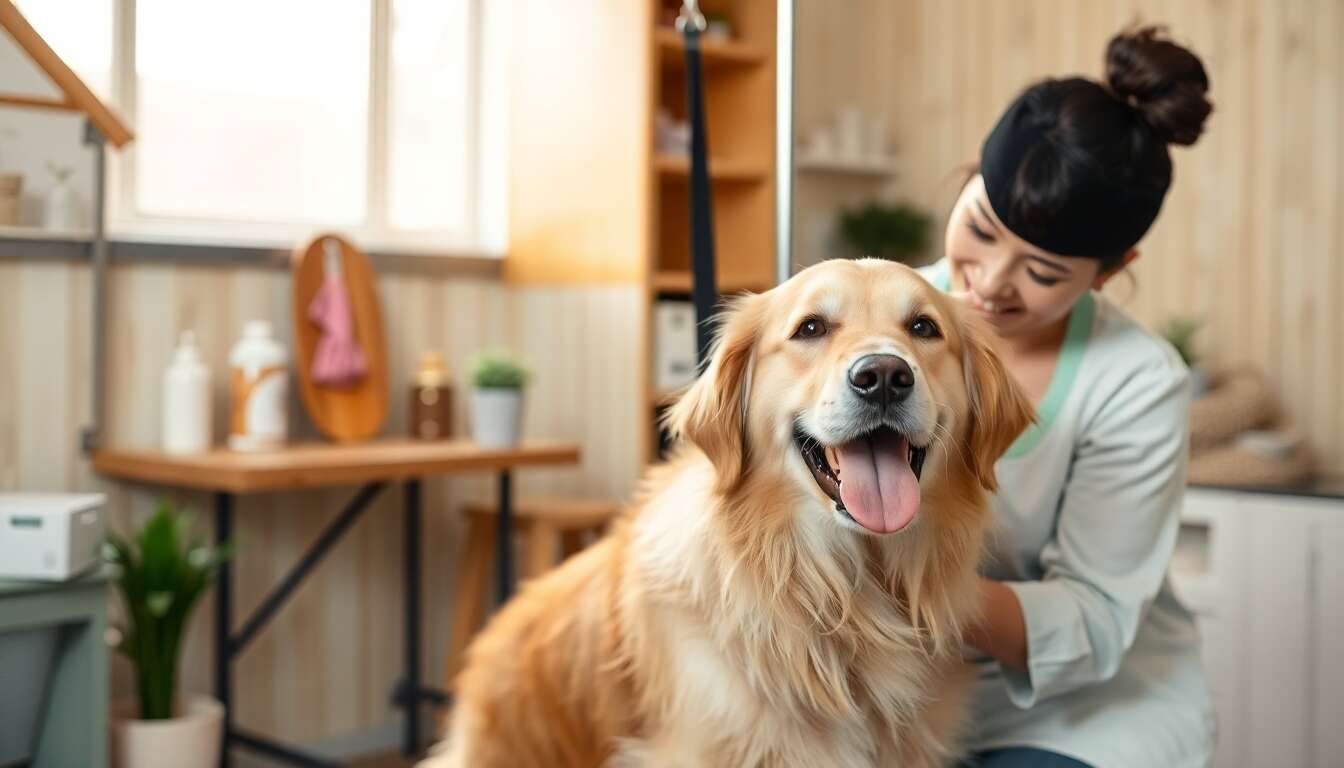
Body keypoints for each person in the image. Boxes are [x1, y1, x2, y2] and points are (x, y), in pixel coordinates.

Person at [918, 26, 1217, 768]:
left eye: (1043, 273)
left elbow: (1093, 619)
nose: (987, 283)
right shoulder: (878, 314)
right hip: (897, 691)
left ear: (1110, 272)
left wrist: (905, 588)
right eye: (980, 229)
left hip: (1079, 711)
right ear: (966, 184)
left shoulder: (1136, 383)